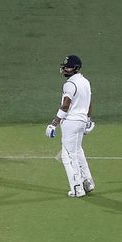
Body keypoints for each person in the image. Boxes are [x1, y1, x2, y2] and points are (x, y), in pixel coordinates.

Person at [45, 55, 95, 198]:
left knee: (68, 156)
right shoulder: (85, 82)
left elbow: (66, 105)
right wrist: (88, 120)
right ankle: (88, 182)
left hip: (71, 122)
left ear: (76, 68)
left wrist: (53, 123)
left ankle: (77, 188)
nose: (65, 69)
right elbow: (89, 103)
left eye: (68, 67)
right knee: (78, 151)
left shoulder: (69, 84)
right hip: (81, 121)